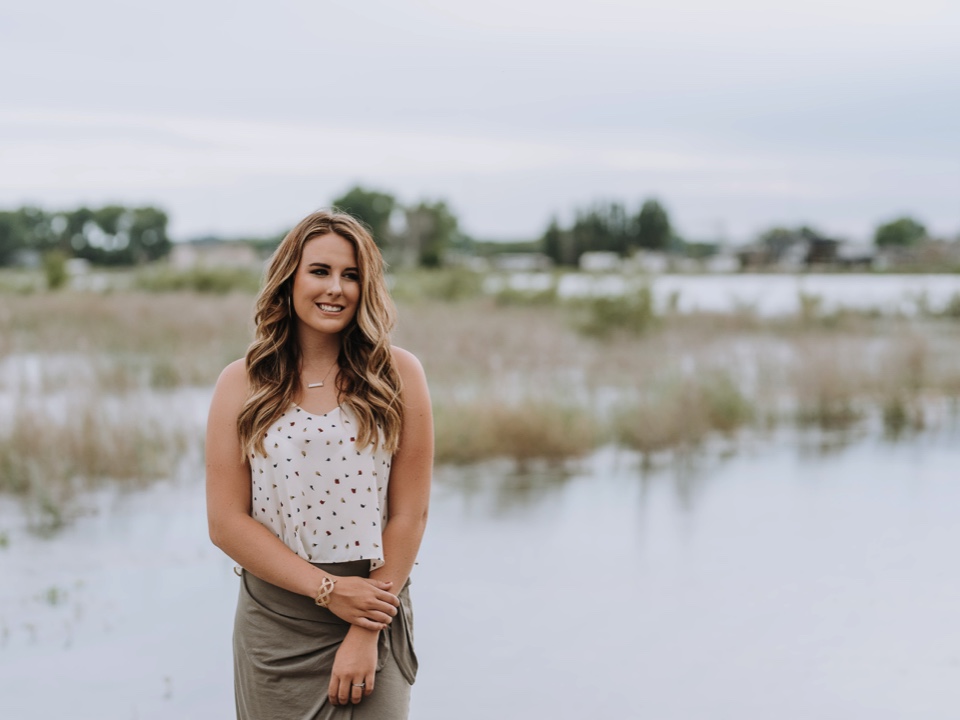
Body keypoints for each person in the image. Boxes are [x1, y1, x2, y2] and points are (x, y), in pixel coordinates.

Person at [205, 210, 433, 719]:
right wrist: (328, 591)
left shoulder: (398, 374)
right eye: (320, 271)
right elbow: (226, 522)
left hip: (375, 608)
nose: (336, 289)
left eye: (351, 275)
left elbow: (409, 515)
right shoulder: (241, 382)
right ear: (289, 279)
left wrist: (363, 628)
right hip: (278, 622)